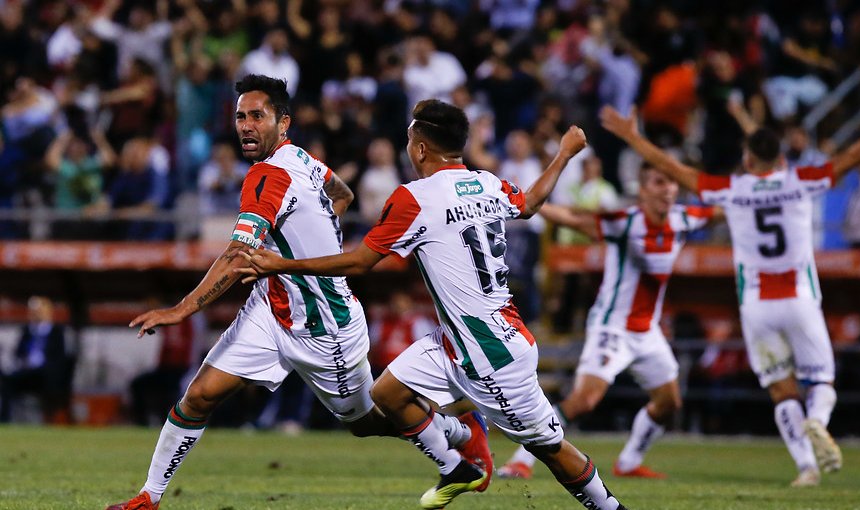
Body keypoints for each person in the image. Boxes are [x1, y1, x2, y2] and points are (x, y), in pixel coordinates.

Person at [108, 76, 486, 510]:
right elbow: (340, 194)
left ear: (282, 122)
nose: (245, 126)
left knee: (366, 422)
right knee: (199, 395)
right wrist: (308, 237)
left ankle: (458, 431)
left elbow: (236, 255)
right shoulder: (300, 159)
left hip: (327, 326)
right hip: (271, 308)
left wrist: (181, 309)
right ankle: (148, 497)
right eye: (239, 116)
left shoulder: (270, 175)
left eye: (257, 116)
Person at [237, 100, 627, 510]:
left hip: (492, 354)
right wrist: (564, 153)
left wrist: (283, 265)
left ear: (420, 149)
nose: (407, 149)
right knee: (386, 392)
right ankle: (456, 465)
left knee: (550, 448)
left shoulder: (414, 199)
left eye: (409, 141)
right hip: (459, 339)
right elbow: (529, 204)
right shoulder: (487, 183)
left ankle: (610, 508)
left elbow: (359, 262)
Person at [599, 96, 860, 487]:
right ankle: (818, 421)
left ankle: (807, 467)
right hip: (800, 298)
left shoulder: (732, 189)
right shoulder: (800, 181)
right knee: (821, 381)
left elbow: (674, 168)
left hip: (757, 305)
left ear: (747, 158)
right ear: (780, 160)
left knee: (780, 388)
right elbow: (857, 152)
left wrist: (633, 138)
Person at [498, 163, 716, 480]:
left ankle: (628, 462)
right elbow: (574, 218)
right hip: (611, 327)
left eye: (671, 184)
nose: (667, 189)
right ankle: (520, 460)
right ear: (643, 191)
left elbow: (722, 210)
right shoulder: (627, 223)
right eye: (658, 181)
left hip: (647, 331)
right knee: (583, 401)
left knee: (668, 402)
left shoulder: (683, 218)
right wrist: (531, 203)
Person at [0, 296, 72, 424]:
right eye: (33, 311)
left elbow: (60, 358)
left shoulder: (56, 331)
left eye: (39, 310)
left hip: (46, 374)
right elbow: (18, 353)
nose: (36, 313)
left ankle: (49, 419)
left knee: (48, 379)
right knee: (7, 380)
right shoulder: (28, 330)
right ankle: (4, 419)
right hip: (27, 372)